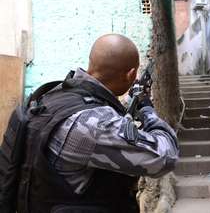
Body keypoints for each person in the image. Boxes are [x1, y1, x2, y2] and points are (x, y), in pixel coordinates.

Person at [17, 34, 179, 213]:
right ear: (131, 74)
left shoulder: (51, 96)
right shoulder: (93, 124)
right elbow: (165, 157)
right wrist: (148, 111)